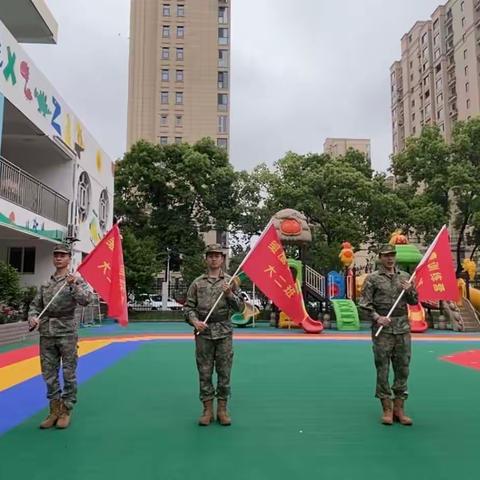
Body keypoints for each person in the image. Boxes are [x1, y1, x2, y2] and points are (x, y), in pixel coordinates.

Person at [28, 244, 92, 429]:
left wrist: (73, 285)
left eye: (62, 255)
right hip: (47, 333)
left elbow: (86, 300)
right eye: (56, 255)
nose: (58, 258)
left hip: (67, 332)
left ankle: (66, 409)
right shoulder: (46, 284)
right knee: (49, 374)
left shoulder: (75, 281)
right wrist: (33, 318)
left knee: (68, 373)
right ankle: (54, 409)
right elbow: (35, 306)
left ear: (69, 258)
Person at [359, 244, 418, 426]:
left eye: (392, 255)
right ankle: (386, 407)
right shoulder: (373, 279)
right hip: (383, 330)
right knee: (382, 368)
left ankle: (399, 407)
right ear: (380, 257)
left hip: (402, 328)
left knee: (403, 368)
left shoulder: (405, 277)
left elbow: (414, 301)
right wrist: (377, 317)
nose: (390, 258)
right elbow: (364, 305)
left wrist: (410, 290)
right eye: (386, 256)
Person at [184, 244, 243, 426]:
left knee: (224, 371)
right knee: (204, 371)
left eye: (217, 256)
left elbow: (240, 308)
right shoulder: (197, 283)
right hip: (204, 332)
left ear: (222, 259)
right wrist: (195, 322)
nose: (214, 259)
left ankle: (222, 409)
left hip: (224, 331)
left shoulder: (231, 282)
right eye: (210, 256)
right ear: (206, 259)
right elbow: (188, 308)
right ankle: (207, 409)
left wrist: (230, 294)